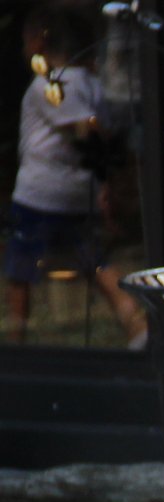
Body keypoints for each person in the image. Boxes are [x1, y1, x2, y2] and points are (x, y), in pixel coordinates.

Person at [8, 9, 146, 347]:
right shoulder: (93, 84)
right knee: (95, 263)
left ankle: (14, 342)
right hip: (80, 192)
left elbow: (85, 126)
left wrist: (97, 143)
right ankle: (137, 326)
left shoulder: (50, 86)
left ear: (37, 42)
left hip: (40, 194)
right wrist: (105, 181)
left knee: (20, 270)